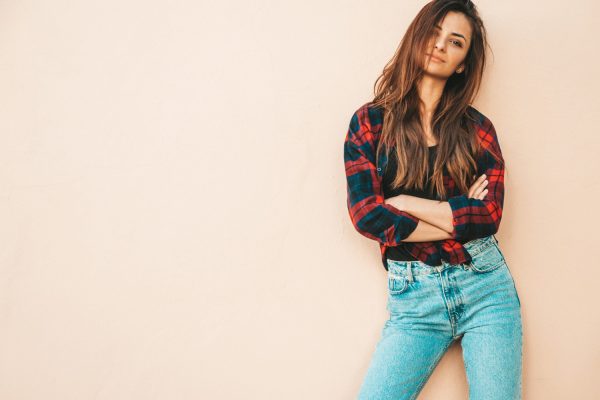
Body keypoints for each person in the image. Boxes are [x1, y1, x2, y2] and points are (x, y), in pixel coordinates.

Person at [343, 1, 522, 399]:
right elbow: (367, 216)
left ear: (462, 63)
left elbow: (489, 215)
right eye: (435, 32)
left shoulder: (478, 129)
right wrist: (457, 214)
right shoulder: (368, 123)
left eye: (455, 42)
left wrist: (405, 202)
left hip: (486, 288)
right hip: (414, 298)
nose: (440, 45)